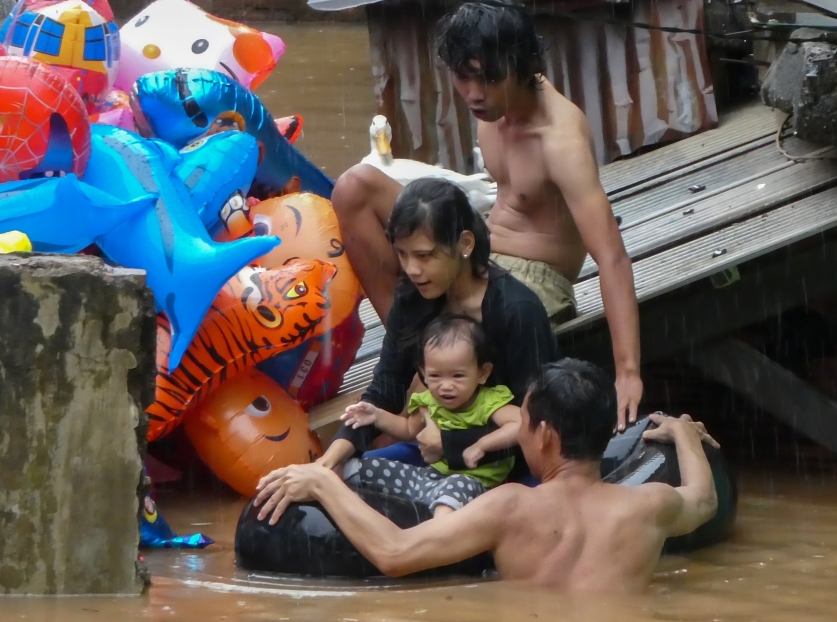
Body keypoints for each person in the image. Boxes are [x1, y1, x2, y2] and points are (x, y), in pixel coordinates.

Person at [332, 0, 644, 430]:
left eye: (489, 79)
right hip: (481, 248)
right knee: (353, 189)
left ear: (520, 67)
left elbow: (611, 255)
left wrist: (627, 373)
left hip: (536, 278)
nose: (474, 94)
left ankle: (436, 373)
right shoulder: (491, 108)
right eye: (464, 78)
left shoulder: (559, 140)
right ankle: (418, 357)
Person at [253, 359, 720, 594]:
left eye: (526, 423)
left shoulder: (511, 507)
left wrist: (323, 482)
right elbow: (704, 499)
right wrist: (683, 432)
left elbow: (394, 553)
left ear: (548, 437)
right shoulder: (651, 505)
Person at [315, 177, 558, 474]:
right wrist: (329, 461)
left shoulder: (517, 311)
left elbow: (539, 423)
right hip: (437, 457)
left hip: (502, 468)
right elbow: (386, 388)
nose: (412, 269)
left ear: (465, 244)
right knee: (347, 473)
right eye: (402, 254)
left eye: (425, 255)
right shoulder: (413, 298)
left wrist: (450, 443)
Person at [341, 314, 521, 516]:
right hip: (430, 479)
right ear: (423, 372)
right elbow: (408, 429)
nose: (445, 386)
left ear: (483, 373)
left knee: (453, 492)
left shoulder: (488, 402)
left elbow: (521, 424)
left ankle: (436, 535)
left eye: (458, 376)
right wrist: (376, 416)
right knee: (353, 468)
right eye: (435, 376)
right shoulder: (429, 400)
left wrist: (481, 445)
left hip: (475, 487)